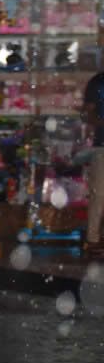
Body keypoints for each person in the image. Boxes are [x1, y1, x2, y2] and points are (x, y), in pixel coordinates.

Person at [78, 71, 104, 255]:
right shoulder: (98, 82)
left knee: (99, 193)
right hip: (102, 145)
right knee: (99, 193)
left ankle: (94, 238)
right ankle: (94, 239)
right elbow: (86, 113)